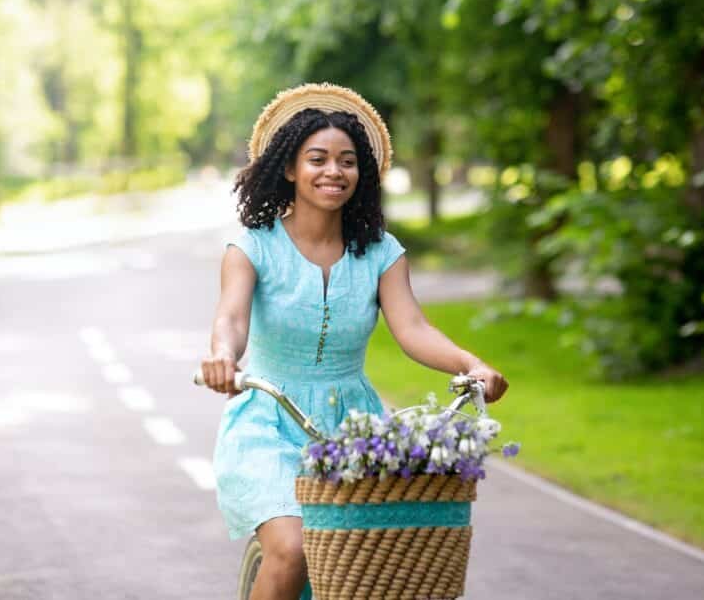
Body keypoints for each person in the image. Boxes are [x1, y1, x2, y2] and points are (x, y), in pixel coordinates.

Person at [200, 83, 508, 600]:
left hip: (353, 430)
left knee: (377, 566)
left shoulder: (380, 252)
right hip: (267, 424)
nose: (333, 172)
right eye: (317, 159)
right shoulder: (251, 246)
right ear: (290, 169)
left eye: (347, 161)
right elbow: (230, 319)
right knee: (294, 549)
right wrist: (221, 357)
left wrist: (470, 363)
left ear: (361, 173)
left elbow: (413, 329)